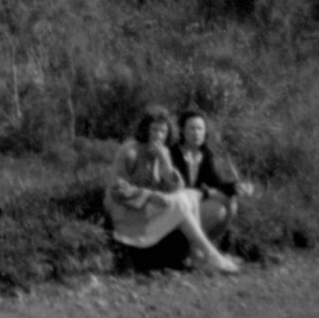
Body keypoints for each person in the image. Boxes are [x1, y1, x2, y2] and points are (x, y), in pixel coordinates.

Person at [104, 105, 242, 273]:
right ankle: (210, 256)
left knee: (188, 196)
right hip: (127, 213)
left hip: (149, 209)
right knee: (182, 200)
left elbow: (177, 188)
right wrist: (149, 196)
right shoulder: (130, 151)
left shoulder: (163, 152)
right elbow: (117, 190)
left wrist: (165, 163)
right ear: (145, 129)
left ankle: (199, 255)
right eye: (154, 130)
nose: (158, 136)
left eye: (163, 131)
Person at [169, 108, 254, 252]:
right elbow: (178, 189)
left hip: (193, 206)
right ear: (182, 130)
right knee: (217, 209)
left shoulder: (205, 154)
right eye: (192, 129)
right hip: (175, 208)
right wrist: (207, 193)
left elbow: (216, 183)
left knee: (230, 204)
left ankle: (198, 248)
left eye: (200, 129)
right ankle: (188, 248)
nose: (196, 133)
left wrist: (237, 187)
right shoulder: (173, 153)